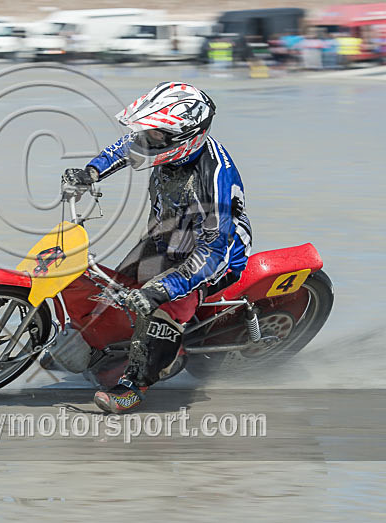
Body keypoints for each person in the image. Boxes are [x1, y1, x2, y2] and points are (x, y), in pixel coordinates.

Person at [62, 82, 252, 413]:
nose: (145, 141)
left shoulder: (212, 179)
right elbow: (123, 149)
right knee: (115, 289)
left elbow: (212, 255)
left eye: (154, 136)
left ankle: (135, 385)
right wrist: (89, 173)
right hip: (166, 236)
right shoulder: (166, 144)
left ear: (184, 137)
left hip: (211, 258)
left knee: (159, 311)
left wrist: (159, 292)